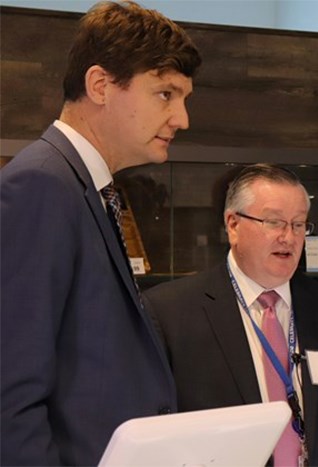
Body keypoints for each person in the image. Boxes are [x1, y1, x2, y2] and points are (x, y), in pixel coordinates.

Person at [0, 2, 201, 465]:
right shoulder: (42, 185)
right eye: (166, 94)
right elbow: (10, 394)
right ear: (100, 86)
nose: (182, 118)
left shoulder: (86, 186)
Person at [144, 163, 318, 466]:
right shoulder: (171, 311)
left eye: (299, 225)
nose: (289, 237)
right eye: (274, 222)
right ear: (233, 225)